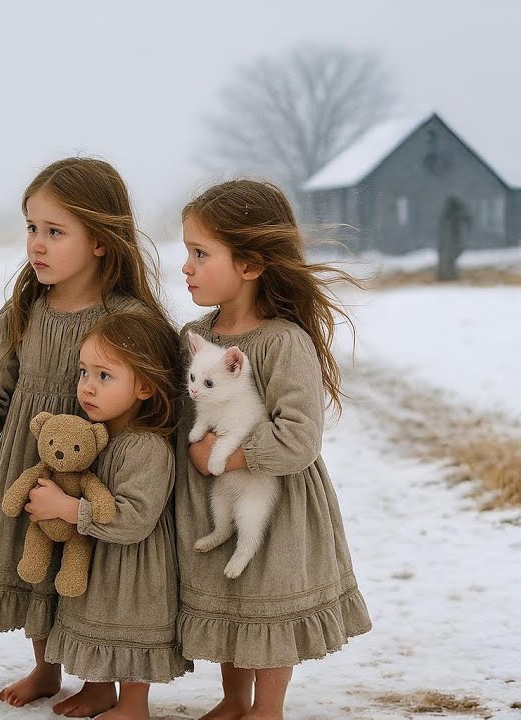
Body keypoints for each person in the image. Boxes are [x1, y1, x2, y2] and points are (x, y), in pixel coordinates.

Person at [0, 156, 173, 709]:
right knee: (35, 565)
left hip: (100, 469)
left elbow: (156, 397)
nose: (37, 243)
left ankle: (100, 683)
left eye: (55, 232)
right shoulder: (25, 310)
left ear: (101, 240)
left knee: (92, 572)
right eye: (32, 227)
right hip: (31, 463)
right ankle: (45, 668)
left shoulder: (128, 318)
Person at [176, 179, 371, 720]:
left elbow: (299, 435)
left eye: (200, 253)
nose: (186, 267)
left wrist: (225, 455)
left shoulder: (284, 341)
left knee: (266, 601)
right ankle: (234, 699)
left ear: (250, 264)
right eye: (187, 253)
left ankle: (268, 707)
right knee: (229, 601)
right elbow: (187, 412)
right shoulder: (196, 336)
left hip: (276, 500)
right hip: (217, 495)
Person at [24, 311, 191, 718]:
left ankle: (134, 704)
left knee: (129, 629)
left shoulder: (147, 447)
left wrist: (65, 508)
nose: (87, 386)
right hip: (101, 557)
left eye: (104, 376)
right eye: (84, 372)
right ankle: (98, 690)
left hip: (135, 567)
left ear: (145, 386)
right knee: (95, 620)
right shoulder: (95, 437)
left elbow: (134, 519)